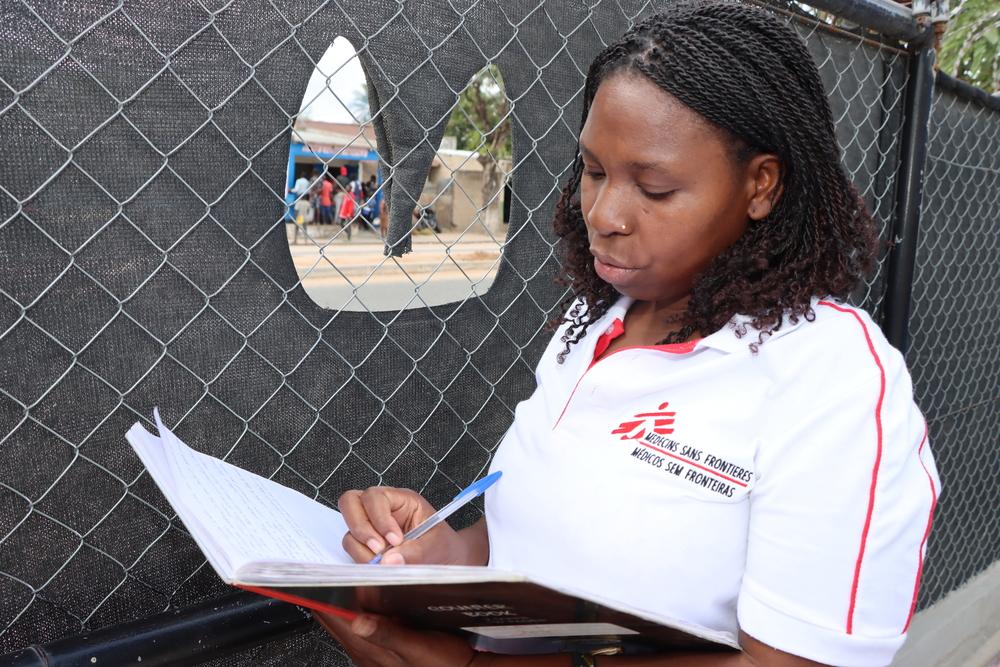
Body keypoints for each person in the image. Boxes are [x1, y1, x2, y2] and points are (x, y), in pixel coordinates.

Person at [316, 2, 940, 666]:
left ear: (760, 184)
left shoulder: (830, 376)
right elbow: (524, 555)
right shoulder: (591, 330)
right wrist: (436, 551)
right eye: (592, 171)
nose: (605, 213)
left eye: (655, 187)